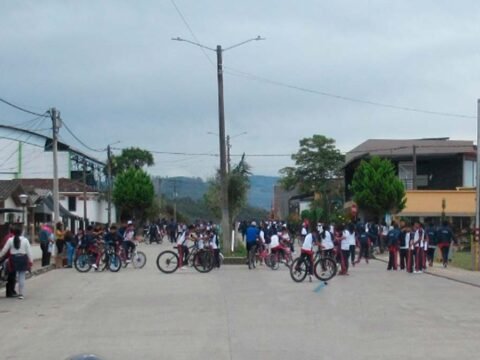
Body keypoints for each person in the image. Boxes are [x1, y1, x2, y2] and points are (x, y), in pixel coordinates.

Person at [0, 226, 33, 300]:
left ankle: (11, 290)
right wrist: (31, 261)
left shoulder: (10, 240)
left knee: (12, 275)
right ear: (21, 232)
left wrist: (0, 256)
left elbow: (4, 251)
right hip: (23, 259)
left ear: (13, 232)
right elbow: (29, 252)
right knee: (21, 277)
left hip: (13, 259)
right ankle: (21, 294)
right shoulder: (25, 240)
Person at [0, 225, 16, 297]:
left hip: (6, 257)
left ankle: (11, 291)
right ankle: (10, 291)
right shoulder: (12, 238)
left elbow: (2, 247)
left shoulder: (7, 237)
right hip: (10, 258)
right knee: (11, 275)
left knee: (9, 275)